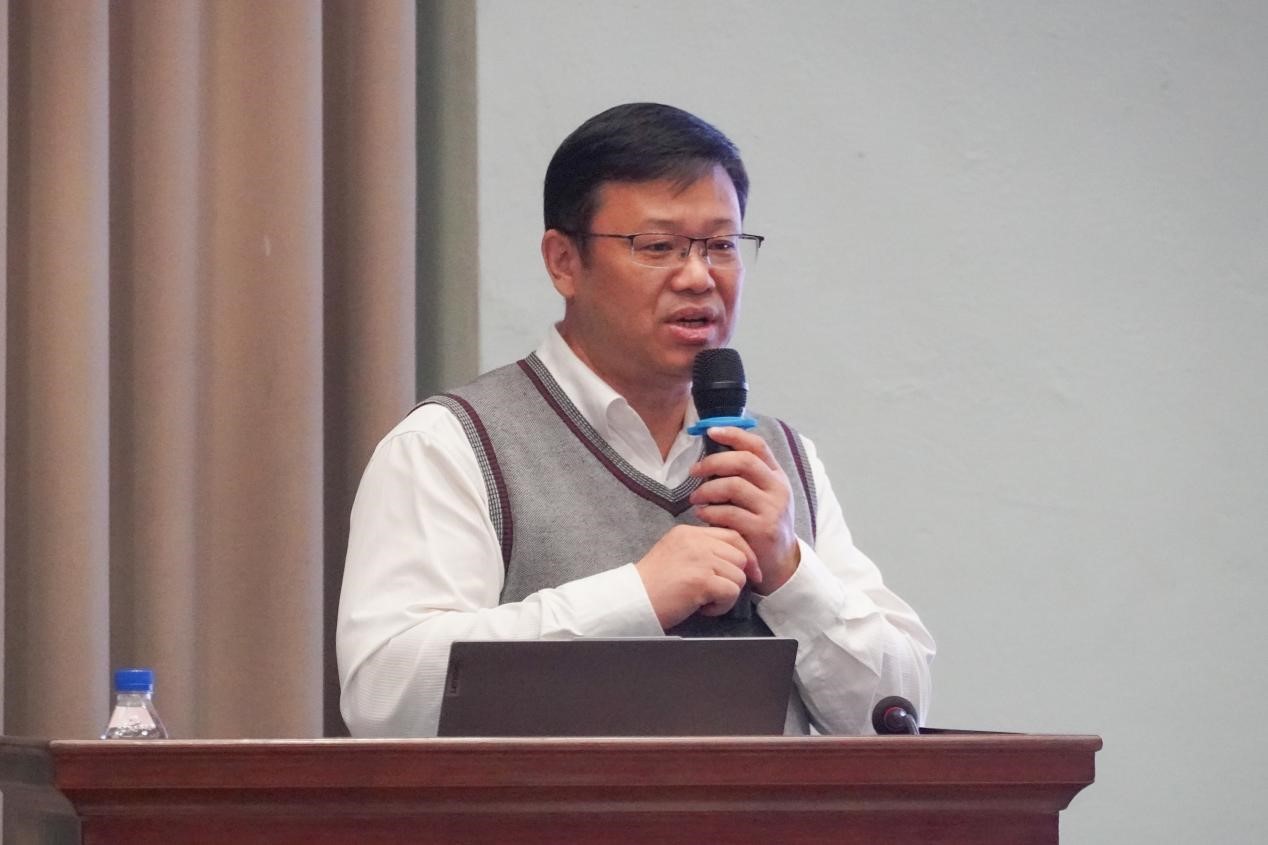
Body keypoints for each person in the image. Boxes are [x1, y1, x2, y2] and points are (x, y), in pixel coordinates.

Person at [336, 102, 934, 736]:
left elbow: (897, 713)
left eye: (721, 246)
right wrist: (637, 598)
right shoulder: (451, 445)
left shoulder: (784, 460)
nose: (699, 277)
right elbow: (387, 695)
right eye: (658, 247)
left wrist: (789, 572)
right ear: (563, 262)